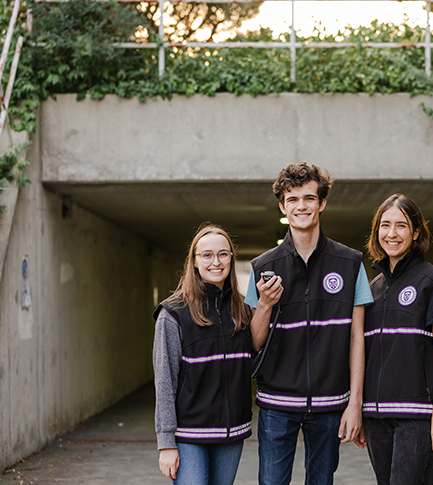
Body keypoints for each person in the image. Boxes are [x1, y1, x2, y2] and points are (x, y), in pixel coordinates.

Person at [245, 161, 373, 485]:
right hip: (276, 405)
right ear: (282, 206)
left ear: (322, 203)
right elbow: (253, 342)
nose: (301, 206)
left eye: (308, 198)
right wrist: (264, 305)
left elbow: (357, 337)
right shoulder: (262, 267)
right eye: (292, 200)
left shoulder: (351, 263)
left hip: (332, 403)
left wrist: (355, 403)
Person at [357, 194, 433, 485]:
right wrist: (363, 410)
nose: (392, 233)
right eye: (385, 225)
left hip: (416, 415)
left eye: (401, 225)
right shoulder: (372, 288)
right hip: (377, 416)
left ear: (415, 233)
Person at [153, 224, 253, 485]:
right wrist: (166, 443)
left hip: (231, 433)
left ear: (231, 258)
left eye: (223, 254)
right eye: (206, 255)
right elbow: (165, 382)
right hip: (188, 435)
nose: (216, 262)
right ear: (194, 262)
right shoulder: (173, 313)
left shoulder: (242, 310)